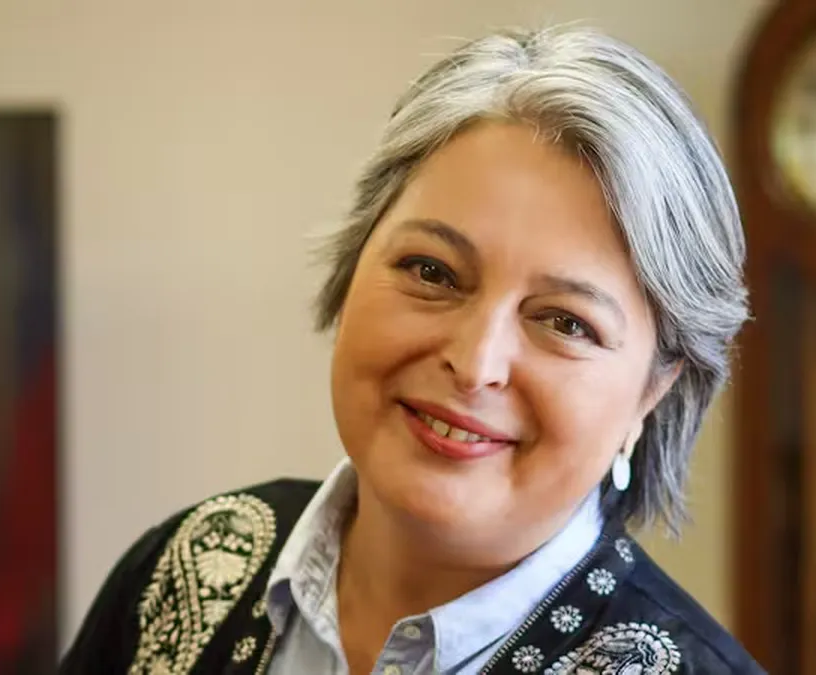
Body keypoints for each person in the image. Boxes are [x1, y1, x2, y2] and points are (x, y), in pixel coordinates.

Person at [61, 24, 763, 675]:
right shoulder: (189, 567)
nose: (476, 363)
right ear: (352, 262)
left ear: (652, 391)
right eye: (433, 272)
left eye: (565, 322)